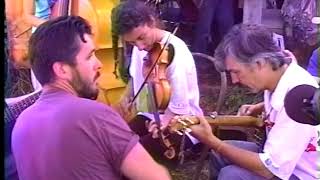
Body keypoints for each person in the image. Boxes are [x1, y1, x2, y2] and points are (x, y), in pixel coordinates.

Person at [11, 15, 170, 180]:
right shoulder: (94, 115)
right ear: (62, 70)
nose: (99, 64)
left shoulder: (21, 123)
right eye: (89, 56)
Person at [173, 24, 320, 179]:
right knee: (220, 155)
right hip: (287, 161)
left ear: (259, 64)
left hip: (302, 174)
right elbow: (283, 105)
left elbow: (268, 170)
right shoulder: (281, 78)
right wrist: (261, 107)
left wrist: (212, 141)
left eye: (236, 72)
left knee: (232, 175)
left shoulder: (299, 96)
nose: (235, 80)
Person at [112, 0, 203, 165]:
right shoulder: (141, 47)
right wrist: (127, 97)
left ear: (152, 22)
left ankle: (193, 148)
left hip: (182, 123)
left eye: (141, 38)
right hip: (152, 115)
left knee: (130, 157)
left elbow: (178, 107)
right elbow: (135, 77)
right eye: (132, 42)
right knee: (116, 142)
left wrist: (165, 120)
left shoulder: (177, 52)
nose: (139, 47)